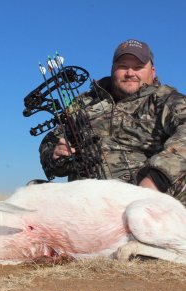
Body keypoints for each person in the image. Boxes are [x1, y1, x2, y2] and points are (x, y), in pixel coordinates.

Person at [39, 39, 186, 204]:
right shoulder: (85, 102)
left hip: (146, 198)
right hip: (88, 200)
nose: (130, 73)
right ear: (112, 69)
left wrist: (156, 179)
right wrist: (55, 155)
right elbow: (50, 142)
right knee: (34, 191)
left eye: (138, 67)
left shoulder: (166, 100)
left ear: (152, 71)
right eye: (123, 66)